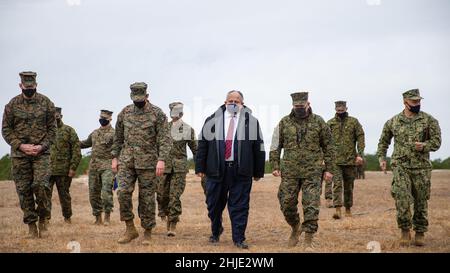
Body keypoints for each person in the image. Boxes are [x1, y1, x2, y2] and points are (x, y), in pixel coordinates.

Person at [195, 90, 265, 249]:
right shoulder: (212, 120)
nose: (233, 103)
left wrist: (258, 171)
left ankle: (239, 238)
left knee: (240, 206)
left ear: (242, 104)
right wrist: (200, 167)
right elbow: (203, 145)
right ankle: (216, 229)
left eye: (236, 101)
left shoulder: (251, 122)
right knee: (213, 205)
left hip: (241, 171)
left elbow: (259, 147)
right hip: (216, 170)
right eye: (230, 100)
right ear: (225, 102)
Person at [270, 92, 335, 248]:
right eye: (296, 106)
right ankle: (295, 226)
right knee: (286, 203)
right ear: (293, 105)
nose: (299, 108)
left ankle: (309, 238)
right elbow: (275, 145)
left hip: (313, 171)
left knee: (311, 204)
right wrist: (275, 165)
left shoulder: (319, 122)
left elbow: (329, 146)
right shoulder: (284, 122)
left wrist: (329, 169)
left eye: (302, 106)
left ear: (308, 104)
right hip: (290, 171)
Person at [377, 89, 441, 247]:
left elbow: (437, 142)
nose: (417, 104)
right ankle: (405, 230)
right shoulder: (393, 122)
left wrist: (425, 146)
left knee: (421, 200)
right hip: (400, 165)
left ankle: (420, 231)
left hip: (421, 167)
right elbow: (383, 141)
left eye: (419, 101)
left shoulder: (429, 120)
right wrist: (382, 158)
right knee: (402, 198)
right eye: (414, 102)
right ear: (405, 102)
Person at [112, 82, 171, 245]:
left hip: (149, 162)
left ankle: (147, 232)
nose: (138, 102)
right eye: (135, 99)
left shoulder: (157, 114)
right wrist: (114, 158)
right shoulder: (125, 112)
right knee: (122, 192)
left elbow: (165, 139)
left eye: (141, 99)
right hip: (127, 161)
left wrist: (161, 159)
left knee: (147, 199)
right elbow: (117, 138)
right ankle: (130, 228)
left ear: (147, 96)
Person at [2, 71, 56, 238]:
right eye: (26, 87)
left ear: (36, 85)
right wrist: (21, 146)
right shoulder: (12, 105)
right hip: (20, 155)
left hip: (41, 154)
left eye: (32, 87)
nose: (29, 90)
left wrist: (41, 146)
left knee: (41, 186)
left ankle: (43, 219)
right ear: (20, 86)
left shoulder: (46, 103)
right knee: (24, 191)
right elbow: (6, 130)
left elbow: (53, 130)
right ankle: (31, 226)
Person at [157, 102, 197, 236]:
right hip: (164, 167)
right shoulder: (163, 128)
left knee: (174, 196)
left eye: (178, 110)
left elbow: (196, 149)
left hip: (179, 167)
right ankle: (164, 212)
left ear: (182, 112)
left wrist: (201, 166)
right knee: (162, 195)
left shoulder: (188, 129)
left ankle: (172, 224)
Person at [326, 101, 365, 219]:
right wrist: (325, 157)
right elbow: (325, 141)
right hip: (335, 161)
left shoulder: (353, 122)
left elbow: (360, 136)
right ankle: (337, 209)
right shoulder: (330, 123)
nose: (340, 112)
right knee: (337, 185)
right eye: (338, 110)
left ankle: (348, 208)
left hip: (350, 160)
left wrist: (360, 154)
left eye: (342, 110)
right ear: (335, 110)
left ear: (346, 108)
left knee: (349, 186)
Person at [80, 109, 115, 225]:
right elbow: (85, 143)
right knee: (93, 193)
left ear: (110, 119)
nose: (102, 120)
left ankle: (107, 216)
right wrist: (73, 140)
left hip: (107, 166)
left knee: (106, 193)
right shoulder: (94, 133)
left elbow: (119, 148)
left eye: (104, 119)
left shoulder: (114, 134)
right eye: (101, 118)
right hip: (94, 166)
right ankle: (97, 217)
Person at [48, 107, 81, 224]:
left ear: (61, 116)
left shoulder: (69, 131)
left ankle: (67, 218)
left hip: (63, 171)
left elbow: (76, 151)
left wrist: (73, 168)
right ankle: (45, 219)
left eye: (57, 116)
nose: (55, 119)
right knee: (44, 196)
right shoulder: (44, 131)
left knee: (64, 196)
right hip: (46, 170)